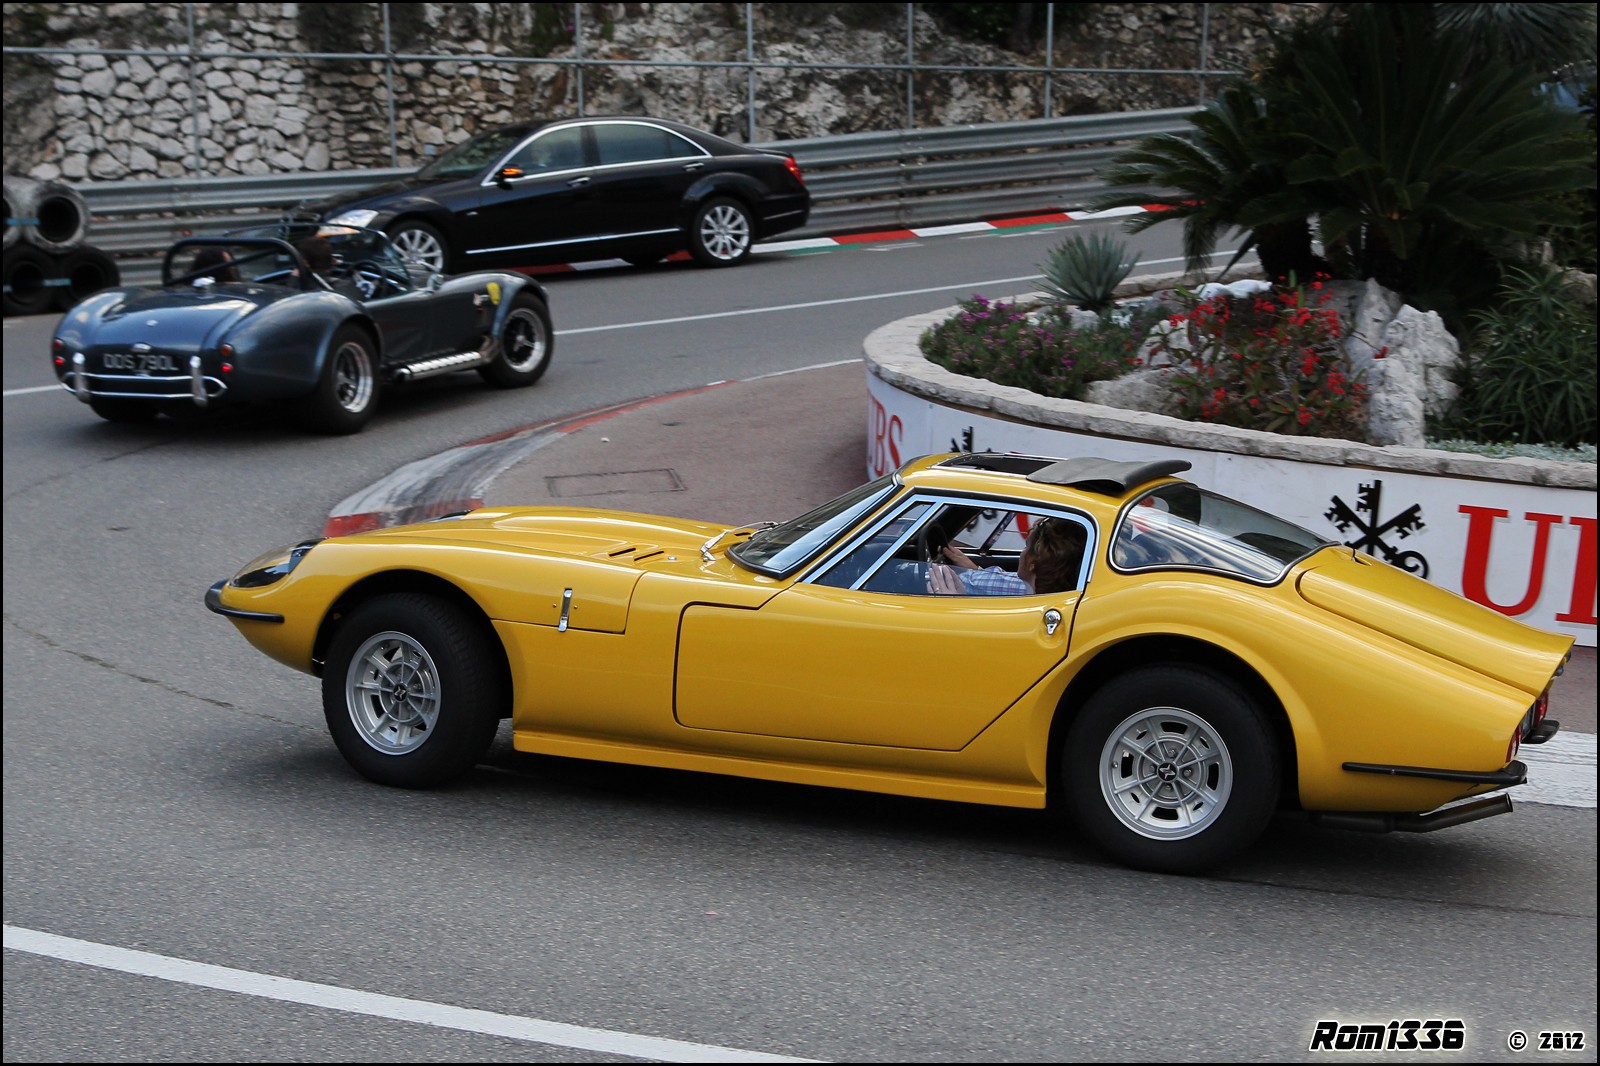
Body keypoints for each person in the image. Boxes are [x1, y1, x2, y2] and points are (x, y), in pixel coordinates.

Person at [927, 517, 1085, 596]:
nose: (1022, 553)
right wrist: (974, 570)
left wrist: (953, 607)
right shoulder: (1048, 597)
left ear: (1033, 563)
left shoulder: (1028, 610)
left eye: (1026, 546)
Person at [295, 236, 363, 300]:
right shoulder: (347, 287)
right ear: (333, 260)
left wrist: (293, 279)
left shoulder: (298, 291)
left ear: (305, 262)